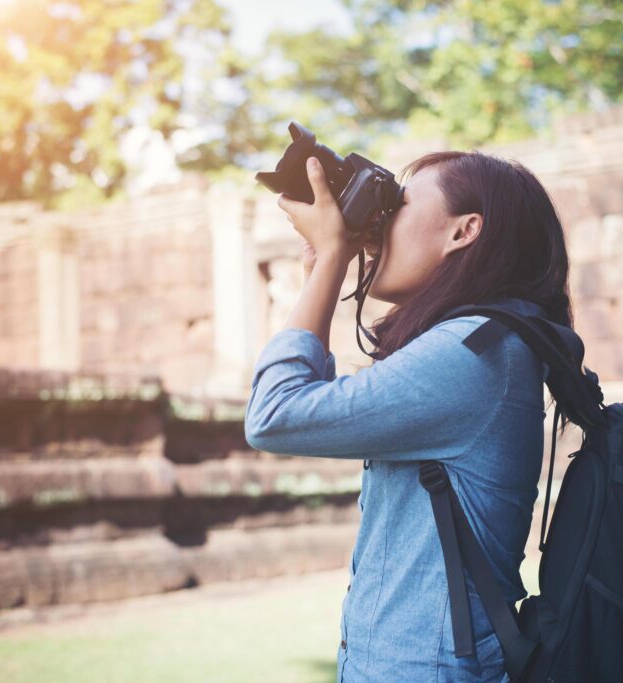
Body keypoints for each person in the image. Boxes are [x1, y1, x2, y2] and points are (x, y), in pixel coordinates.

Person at [244, 149, 573, 682]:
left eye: (397, 205)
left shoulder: (475, 353)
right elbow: (309, 412)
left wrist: (332, 262)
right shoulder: (482, 343)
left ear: (464, 231)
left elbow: (276, 414)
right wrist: (320, 270)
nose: (379, 222)